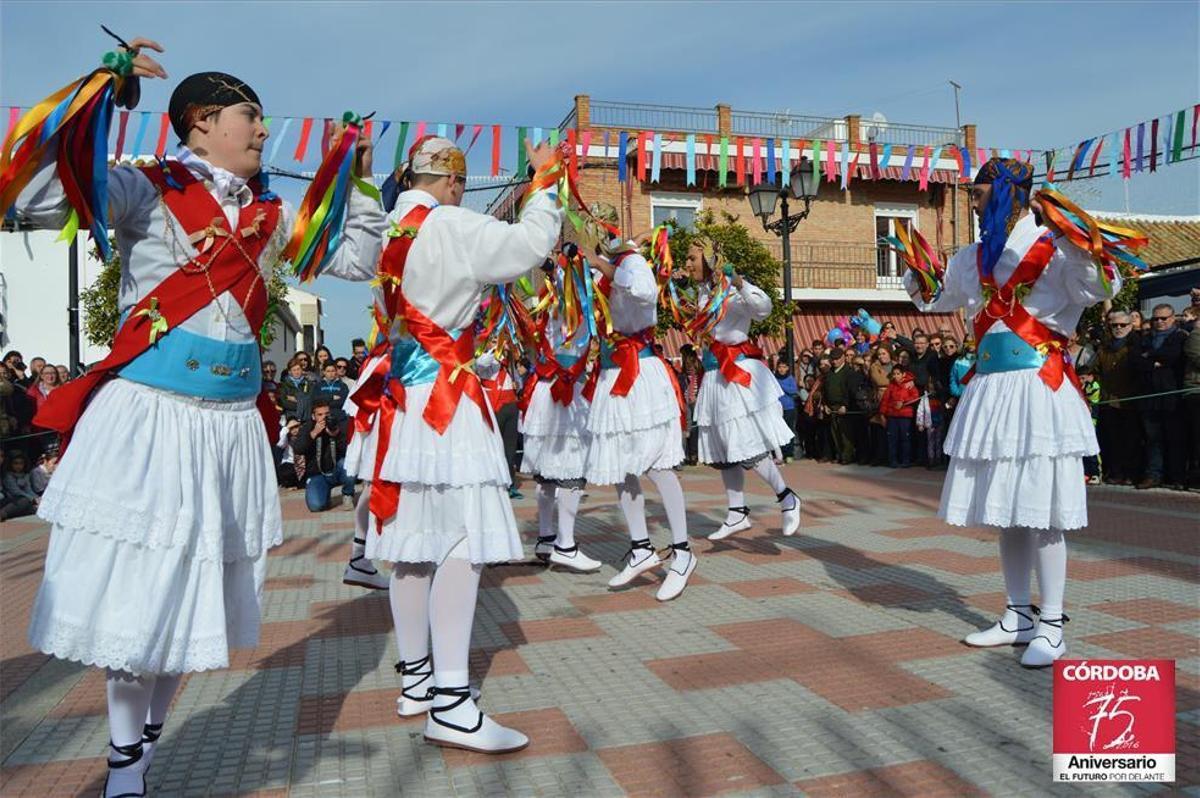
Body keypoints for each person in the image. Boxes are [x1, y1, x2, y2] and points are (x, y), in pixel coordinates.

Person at [10, 43, 385, 797]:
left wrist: (359, 177)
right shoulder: (145, 188)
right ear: (202, 121)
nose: (261, 131)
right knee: (139, 591)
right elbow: (40, 199)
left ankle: (142, 748)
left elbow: (354, 263)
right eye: (250, 116)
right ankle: (124, 766)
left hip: (226, 428)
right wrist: (95, 99)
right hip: (152, 420)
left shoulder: (272, 215)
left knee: (189, 594)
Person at [367, 135, 562, 753]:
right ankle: (452, 702)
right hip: (446, 399)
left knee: (411, 544)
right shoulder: (451, 223)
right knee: (460, 542)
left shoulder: (384, 228)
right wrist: (545, 184)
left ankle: (416, 681)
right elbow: (530, 246)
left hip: (400, 399)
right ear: (452, 181)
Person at [905, 157, 1123, 668]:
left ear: (1007, 190)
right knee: (1007, 513)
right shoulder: (971, 256)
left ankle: (1052, 623)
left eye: (978, 190)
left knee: (1043, 511)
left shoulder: (1055, 247)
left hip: (1038, 390)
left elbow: (1100, 291)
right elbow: (938, 300)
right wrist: (917, 277)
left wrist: (1081, 242)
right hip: (992, 391)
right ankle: (1017, 615)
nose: (972, 198)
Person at [583, 203, 694, 601]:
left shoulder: (633, 264)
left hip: (640, 373)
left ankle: (682, 552)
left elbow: (645, 292)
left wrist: (605, 260)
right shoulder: (606, 265)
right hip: (612, 372)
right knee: (621, 467)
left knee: (656, 464)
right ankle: (641, 547)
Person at [686, 237, 801, 542]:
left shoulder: (729, 293)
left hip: (736, 374)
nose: (687, 264)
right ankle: (736, 513)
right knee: (725, 449)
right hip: (714, 375)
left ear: (709, 261)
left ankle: (787, 496)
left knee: (747, 446)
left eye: (692, 258)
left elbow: (763, 308)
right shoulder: (701, 294)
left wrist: (738, 281)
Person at [519, 251, 601, 573]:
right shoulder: (568, 303)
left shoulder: (559, 302)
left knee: (549, 471)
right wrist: (555, 267)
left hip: (550, 389)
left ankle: (546, 537)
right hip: (563, 391)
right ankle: (564, 544)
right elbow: (572, 285)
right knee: (569, 469)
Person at [1134, 303, 1188, 490]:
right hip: (1148, 396)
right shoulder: (1145, 338)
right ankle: (1153, 474)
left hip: (1172, 396)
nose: (1159, 322)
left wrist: (1151, 356)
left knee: (1175, 438)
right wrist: (1153, 362)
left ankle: (1177, 477)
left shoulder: (1179, 337)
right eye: (1155, 318)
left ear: (1172, 318)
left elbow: (1173, 356)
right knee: (1152, 439)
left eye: (1163, 318)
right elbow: (1136, 361)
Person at [1094, 309, 1141, 485]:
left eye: (1123, 325)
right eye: (1115, 325)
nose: (1119, 328)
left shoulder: (1137, 344)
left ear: (1130, 325)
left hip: (1131, 399)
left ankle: (1131, 473)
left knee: (1132, 440)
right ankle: (1116, 472)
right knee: (1112, 440)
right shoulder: (1104, 347)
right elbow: (1095, 368)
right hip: (1109, 399)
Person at [477, 346, 523, 499]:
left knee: (510, 447)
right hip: (495, 406)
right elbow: (481, 364)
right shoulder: (486, 358)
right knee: (495, 445)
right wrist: (493, 348)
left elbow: (517, 380)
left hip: (511, 405)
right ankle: (494, 482)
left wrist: (518, 383)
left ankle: (509, 483)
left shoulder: (508, 361)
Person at [821, 347, 861, 464]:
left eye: (837, 359)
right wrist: (825, 405)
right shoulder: (829, 373)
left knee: (846, 433)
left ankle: (847, 456)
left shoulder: (849, 372)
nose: (835, 361)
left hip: (843, 407)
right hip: (831, 406)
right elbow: (825, 390)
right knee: (835, 433)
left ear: (843, 357)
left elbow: (850, 391)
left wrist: (845, 405)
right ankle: (839, 454)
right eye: (833, 359)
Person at [880, 368, 918, 467]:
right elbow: (885, 400)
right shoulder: (891, 386)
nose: (896, 376)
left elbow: (915, 396)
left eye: (898, 374)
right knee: (892, 439)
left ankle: (906, 460)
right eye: (894, 374)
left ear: (903, 374)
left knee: (905, 438)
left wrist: (904, 401)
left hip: (905, 416)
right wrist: (882, 414)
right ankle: (893, 460)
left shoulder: (909, 385)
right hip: (892, 416)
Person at [774, 360, 799, 462]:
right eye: (780, 367)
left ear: (788, 368)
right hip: (776, 409)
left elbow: (793, 390)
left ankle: (789, 453)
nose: (781, 369)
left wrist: (780, 385)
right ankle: (780, 453)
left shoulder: (790, 378)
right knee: (778, 431)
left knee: (789, 430)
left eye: (784, 367)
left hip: (789, 408)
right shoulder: (774, 378)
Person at [278, 356, 315, 422]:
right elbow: (284, 402)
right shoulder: (284, 385)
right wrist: (303, 403)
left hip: (306, 418)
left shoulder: (309, 383)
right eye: (294, 370)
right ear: (290, 372)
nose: (297, 372)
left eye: (298, 369)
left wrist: (297, 399)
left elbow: (311, 400)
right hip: (291, 417)